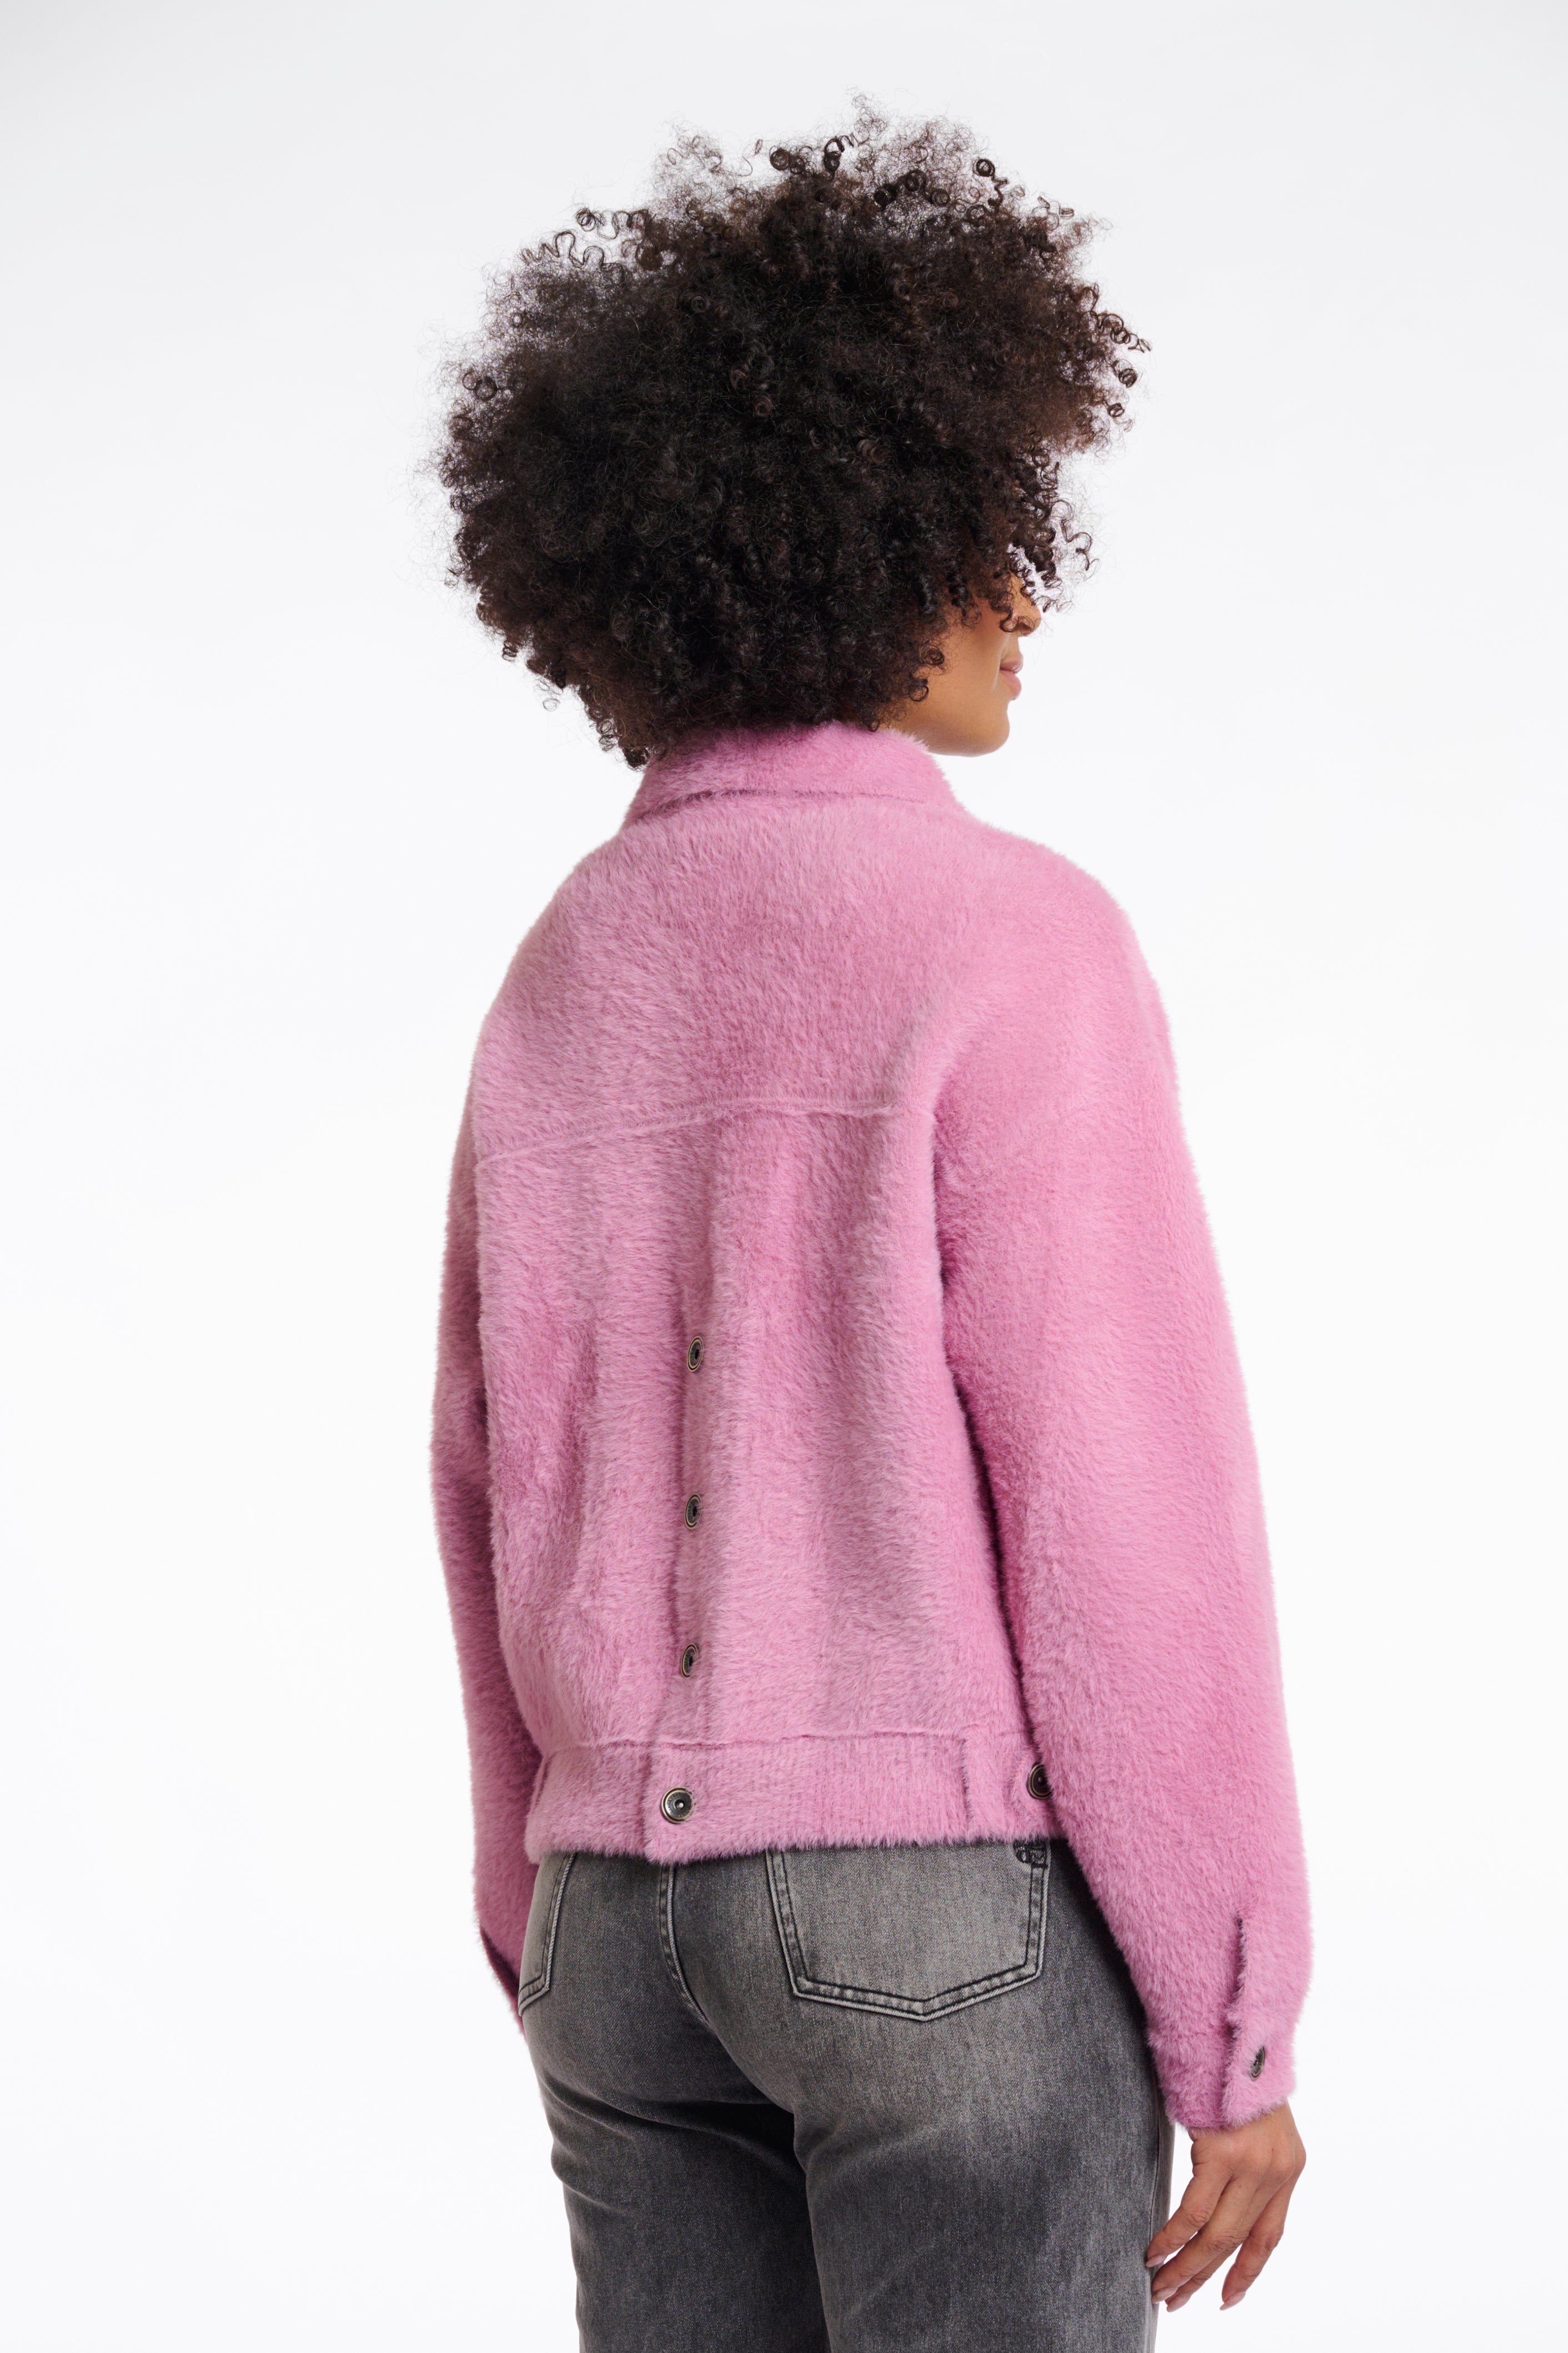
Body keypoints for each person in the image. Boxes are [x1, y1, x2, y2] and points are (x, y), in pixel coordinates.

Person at [430, 111, 1310, 2352]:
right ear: (852, 552)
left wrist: (539, 1892)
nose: (1025, 603)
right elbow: (1123, 1509)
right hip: (934, 1922)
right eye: (983, 543)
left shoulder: (565, 961)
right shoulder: (1010, 938)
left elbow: (484, 1473)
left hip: (616, 1931)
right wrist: (1232, 2018)